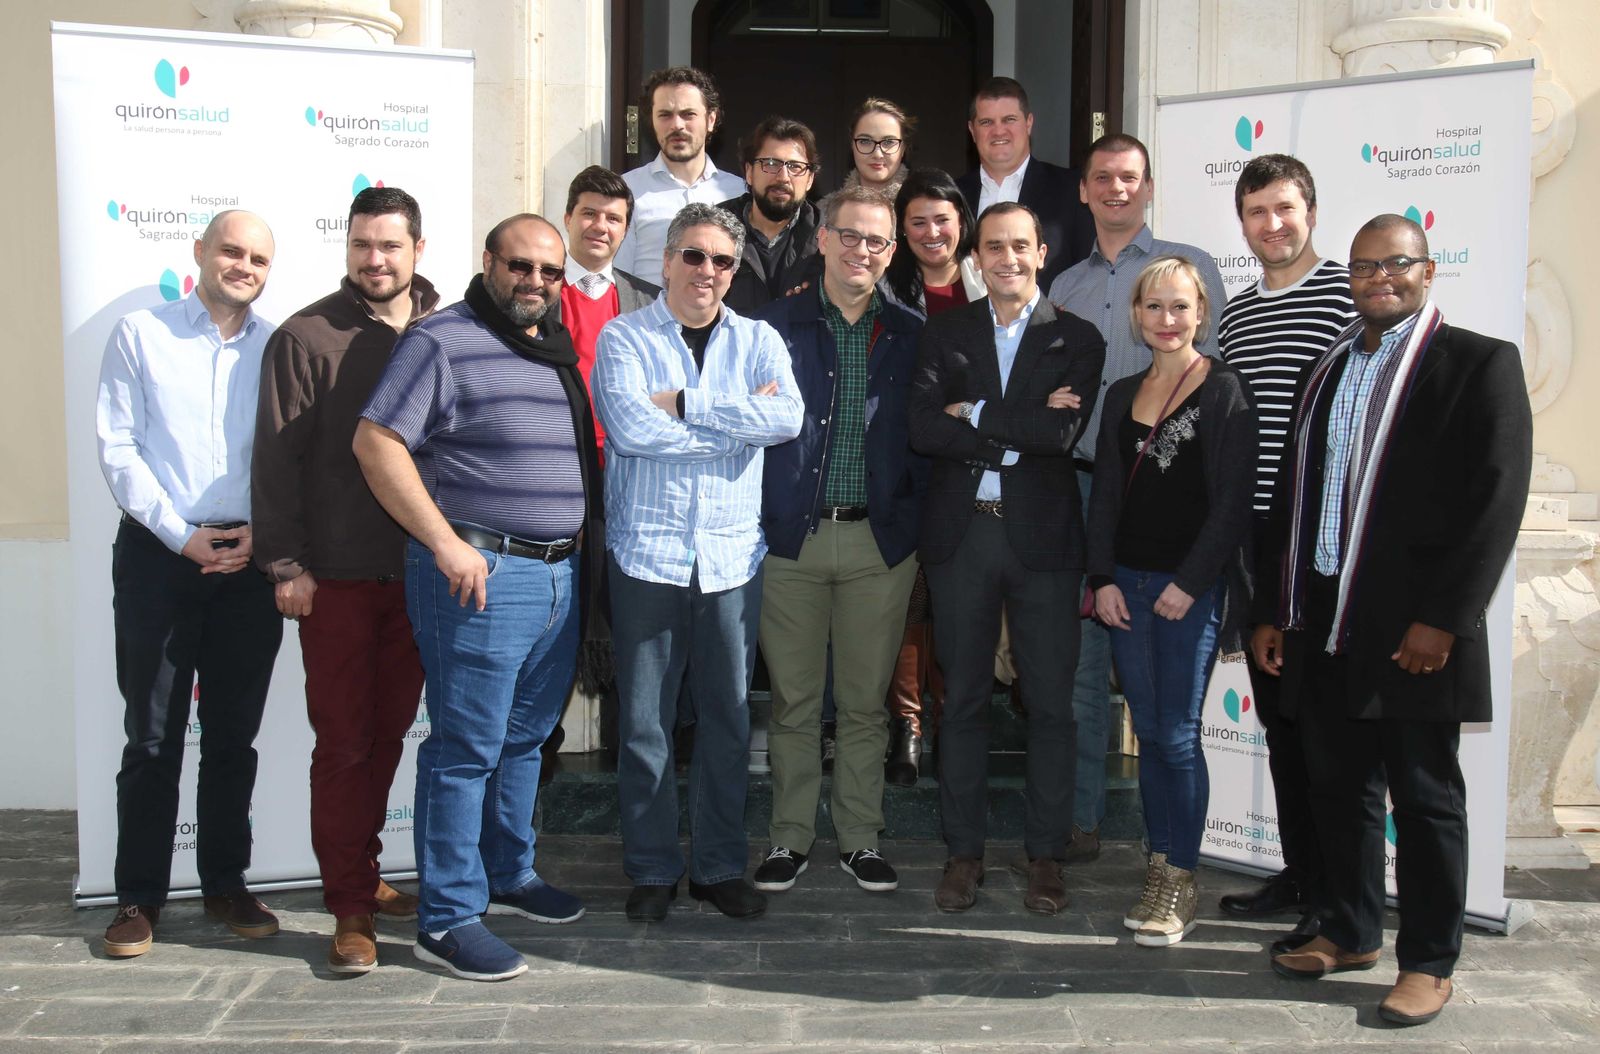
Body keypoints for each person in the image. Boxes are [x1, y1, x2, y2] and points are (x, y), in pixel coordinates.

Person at [1256, 215, 1531, 1026]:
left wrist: (1444, 618)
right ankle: (1349, 931)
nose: (1380, 277)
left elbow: (1496, 498)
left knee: (1424, 796)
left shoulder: (1478, 362)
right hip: (1323, 618)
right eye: (1365, 266)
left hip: (1415, 629)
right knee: (1339, 788)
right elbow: (1293, 494)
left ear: (1428, 270)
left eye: (1396, 264)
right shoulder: (1327, 366)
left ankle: (1429, 962)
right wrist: (1274, 607)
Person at [354, 213, 603, 982]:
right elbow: (376, 441)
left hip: (559, 576)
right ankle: (448, 916)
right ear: (488, 262)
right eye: (520, 266)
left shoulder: (551, 345)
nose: (535, 282)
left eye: (550, 272)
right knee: (466, 748)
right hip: (480, 576)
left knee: (525, 740)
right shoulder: (441, 341)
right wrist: (443, 541)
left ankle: (508, 872)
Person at [593, 202, 802, 924]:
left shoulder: (760, 340)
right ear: (665, 261)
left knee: (729, 721)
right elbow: (630, 431)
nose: (706, 270)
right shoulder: (623, 337)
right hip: (646, 554)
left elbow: (787, 418)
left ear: (733, 271)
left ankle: (717, 868)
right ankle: (653, 869)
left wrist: (684, 402)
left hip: (731, 559)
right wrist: (734, 425)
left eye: (721, 260)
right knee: (645, 724)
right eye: (693, 255)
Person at [252, 187, 437, 974]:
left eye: (390, 245)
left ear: (417, 249)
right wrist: (287, 565)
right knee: (343, 745)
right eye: (362, 244)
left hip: (422, 575)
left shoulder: (445, 330)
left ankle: (363, 868)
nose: (374, 259)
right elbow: (275, 460)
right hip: (336, 581)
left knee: (389, 735)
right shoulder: (306, 336)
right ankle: (350, 908)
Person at [95, 210, 284, 959]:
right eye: (231, 251)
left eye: (258, 259)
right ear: (199, 251)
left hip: (250, 561)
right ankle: (138, 896)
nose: (243, 267)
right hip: (159, 558)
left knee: (234, 736)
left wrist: (262, 534)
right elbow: (118, 448)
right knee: (152, 737)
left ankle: (226, 883)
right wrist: (182, 535)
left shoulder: (278, 346)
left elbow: (290, 455)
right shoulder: (140, 334)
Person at [909, 201, 1105, 916]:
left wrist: (973, 412)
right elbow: (922, 428)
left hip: (1044, 542)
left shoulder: (1076, 337)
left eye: (1021, 245)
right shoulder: (944, 332)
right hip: (963, 537)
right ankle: (964, 854)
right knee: (961, 700)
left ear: (1042, 253)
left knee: (1050, 703)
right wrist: (1021, 427)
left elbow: (1061, 435)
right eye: (994, 247)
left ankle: (1045, 855)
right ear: (976, 257)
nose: (1008, 259)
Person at [1048, 132, 1229, 866]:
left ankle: (1172, 855)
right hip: (1085, 489)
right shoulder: (1063, 285)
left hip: (1174, 501)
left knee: (1166, 705)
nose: (1116, 189)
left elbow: (1219, 386)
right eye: (1102, 178)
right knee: (1084, 669)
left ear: (1149, 187)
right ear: (1084, 191)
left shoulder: (1193, 267)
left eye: (1130, 177)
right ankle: (1083, 820)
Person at [750, 185, 926, 894]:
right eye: (848, 235)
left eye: (876, 240)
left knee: (862, 702)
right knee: (793, 703)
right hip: (790, 540)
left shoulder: (913, 333)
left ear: (892, 251)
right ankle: (789, 837)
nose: (861, 250)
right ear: (821, 239)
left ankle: (860, 837)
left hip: (877, 545)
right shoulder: (770, 326)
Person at [1087, 255, 1257, 947]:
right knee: (1151, 732)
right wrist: (1101, 578)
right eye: (1154, 306)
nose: (1167, 319)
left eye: (1180, 306)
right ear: (1137, 315)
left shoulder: (1225, 391)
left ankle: (1180, 878)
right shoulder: (1121, 393)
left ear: (1201, 314)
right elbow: (1105, 495)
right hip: (1126, 586)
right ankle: (1159, 866)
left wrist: (1190, 583)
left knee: (1179, 736)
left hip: (1190, 590)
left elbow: (1234, 503)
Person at [1216, 154, 1356, 954]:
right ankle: (1302, 875)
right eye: (1257, 212)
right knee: (1279, 723)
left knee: (1324, 730)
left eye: (1285, 208)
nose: (1272, 225)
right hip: (1257, 542)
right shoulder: (1235, 315)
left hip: (1323, 541)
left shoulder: (1347, 298)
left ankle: (1337, 897)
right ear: (1241, 222)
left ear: (1311, 212)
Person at [878, 167, 986, 786]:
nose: (930, 232)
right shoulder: (887, 290)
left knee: (961, 600)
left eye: (941, 219)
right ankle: (909, 723)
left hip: (977, 465)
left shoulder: (990, 281)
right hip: (908, 463)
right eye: (916, 221)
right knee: (912, 598)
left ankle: (950, 717)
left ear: (961, 223)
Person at [554, 165, 662, 462]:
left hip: (627, 461)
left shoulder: (652, 302)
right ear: (568, 219)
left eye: (613, 219)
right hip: (560, 456)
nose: (600, 226)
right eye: (589, 213)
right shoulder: (537, 292)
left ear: (625, 230)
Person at [955, 77, 1093, 292]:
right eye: (987, 122)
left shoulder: (1072, 189)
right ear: (972, 130)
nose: (998, 131)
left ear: (1028, 123)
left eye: (1009, 119)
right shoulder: (953, 196)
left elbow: (1088, 268)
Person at [614, 66, 746, 287]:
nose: (677, 125)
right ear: (652, 121)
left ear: (711, 119)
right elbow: (617, 278)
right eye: (665, 115)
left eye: (688, 114)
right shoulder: (625, 190)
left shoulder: (740, 192)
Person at [718, 116, 823, 315]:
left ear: (810, 179)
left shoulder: (828, 241)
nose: (783, 177)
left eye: (795, 166)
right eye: (771, 163)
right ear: (749, 172)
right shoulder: (713, 231)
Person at [844, 97, 913, 199]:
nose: (877, 154)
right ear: (852, 145)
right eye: (865, 141)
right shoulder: (826, 208)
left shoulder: (923, 206)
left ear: (903, 148)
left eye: (888, 142)